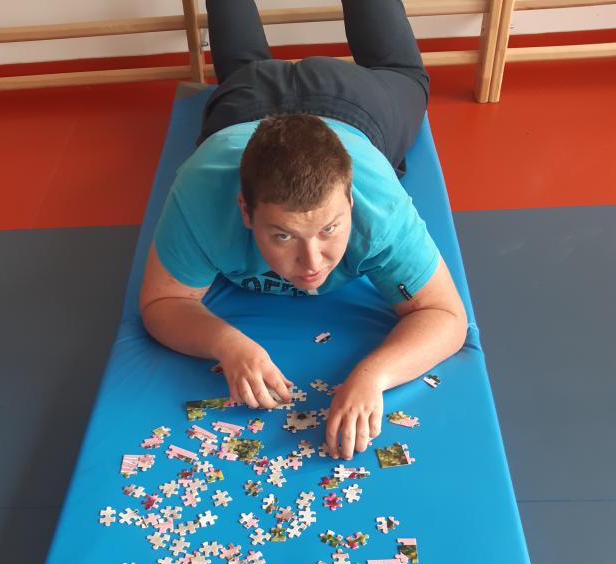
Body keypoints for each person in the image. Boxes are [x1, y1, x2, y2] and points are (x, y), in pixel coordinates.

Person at [140, 0, 467, 460]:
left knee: (397, 74)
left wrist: (372, 376)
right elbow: (160, 303)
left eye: (329, 230)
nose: (312, 264)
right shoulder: (200, 196)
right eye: (283, 235)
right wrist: (226, 343)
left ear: (351, 203)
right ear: (246, 211)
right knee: (250, 74)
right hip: (250, 103)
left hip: (353, 103)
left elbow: (447, 317)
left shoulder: (380, 210)